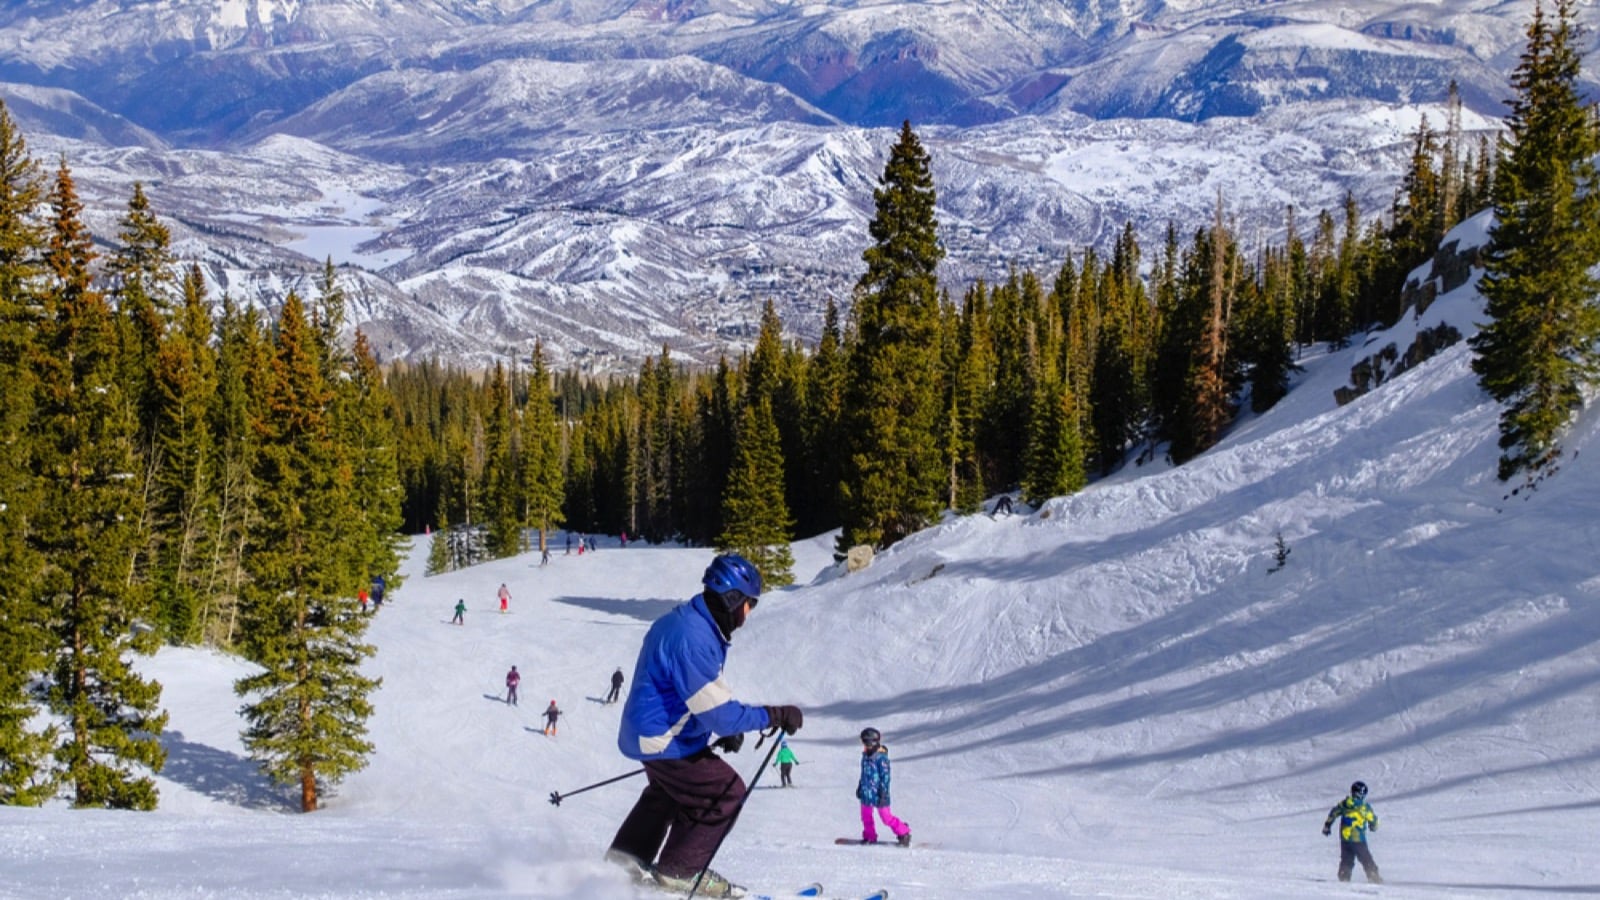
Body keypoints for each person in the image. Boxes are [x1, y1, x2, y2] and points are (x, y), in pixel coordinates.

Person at [605, 553, 805, 899]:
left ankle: (625, 861)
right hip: (661, 739)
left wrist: (706, 731)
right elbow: (721, 715)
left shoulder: (688, 623)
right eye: (749, 604)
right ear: (733, 599)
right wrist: (774, 715)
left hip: (649, 733)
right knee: (725, 791)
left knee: (670, 791)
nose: (748, 614)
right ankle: (679, 872)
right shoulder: (693, 639)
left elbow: (682, 695)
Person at [856, 727, 911, 846]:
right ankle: (870, 836)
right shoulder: (865, 757)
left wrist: (883, 792)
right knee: (866, 816)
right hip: (867, 792)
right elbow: (864, 773)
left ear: (872, 743)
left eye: (865, 743)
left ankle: (904, 832)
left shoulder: (881, 759)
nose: (864, 746)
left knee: (886, 817)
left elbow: (886, 777)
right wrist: (860, 786)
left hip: (880, 794)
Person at [1323, 781, 1381, 884]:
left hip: (1345, 839)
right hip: (1358, 838)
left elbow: (1333, 813)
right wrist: (1373, 826)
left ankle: (1344, 875)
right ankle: (1373, 875)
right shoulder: (1363, 807)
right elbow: (1373, 820)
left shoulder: (1344, 804)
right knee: (1366, 858)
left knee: (1347, 859)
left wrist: (1327, 826)